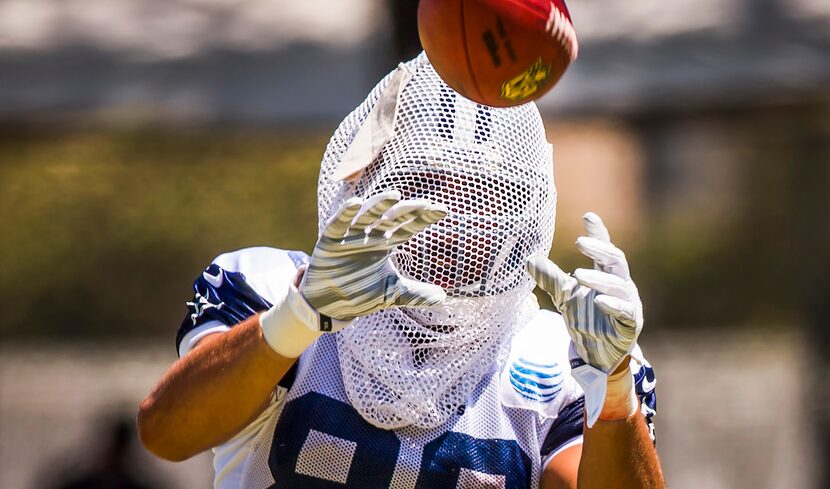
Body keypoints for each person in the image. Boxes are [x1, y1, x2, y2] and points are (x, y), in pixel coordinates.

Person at [137, 52, 665, 488]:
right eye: (427, 188)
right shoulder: (276, 288)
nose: (455, 223)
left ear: (524, 215)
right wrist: (296, 318)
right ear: (365, 187)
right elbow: (167, 433)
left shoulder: (563, 358)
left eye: (486, 201)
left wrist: (614, 394)